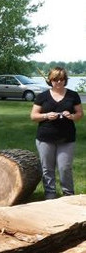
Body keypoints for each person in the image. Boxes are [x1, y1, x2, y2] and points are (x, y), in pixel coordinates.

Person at [30, 66, 83, 199]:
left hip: (67, 138)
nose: (58, 82)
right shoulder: (42, 96)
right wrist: (46, 115)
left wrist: (71, 116)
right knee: (47, 169)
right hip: (45, 138)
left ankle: (68, 195)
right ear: (50, 80)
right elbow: (33, 116)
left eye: (61, 79)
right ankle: (50, 194)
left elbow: (80, 114)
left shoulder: (73, 95)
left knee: (65, 168)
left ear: (65, 80)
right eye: (55, 79)